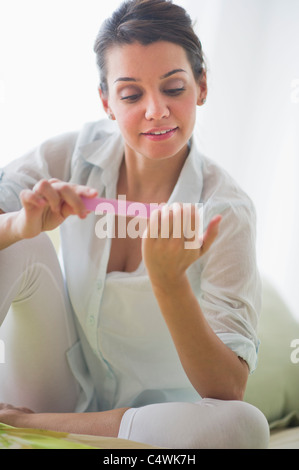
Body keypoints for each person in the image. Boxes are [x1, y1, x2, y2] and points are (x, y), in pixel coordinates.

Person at [0, 0, 269, 448]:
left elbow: (228, 389)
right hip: (55, 386)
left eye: (174, 88)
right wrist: (18, 227)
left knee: (245, 426)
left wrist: (169, 283)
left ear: (201, 86)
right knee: (17, 243)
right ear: (106, 101)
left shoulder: (226, 212)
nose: (156, 110)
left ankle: (25, 425)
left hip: (154, 425)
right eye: (131, 95)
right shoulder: (68, 155)